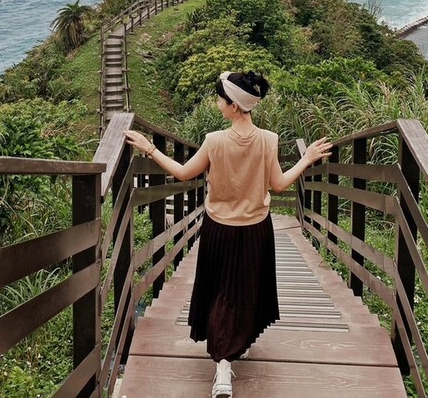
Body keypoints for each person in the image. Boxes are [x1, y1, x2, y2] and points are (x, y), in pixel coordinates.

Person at [124, 70, 333, 398]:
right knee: (247, 289)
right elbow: (278, 185)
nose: (218, 103)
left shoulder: (214, 141)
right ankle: (234, 347)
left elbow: (182, 174)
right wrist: (305, 159)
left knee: (221, 292)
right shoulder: (269, 139)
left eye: (222, 99)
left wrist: (150, 149)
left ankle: (223, 367)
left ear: (235, 106)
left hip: (219, 229)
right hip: (256, 231)